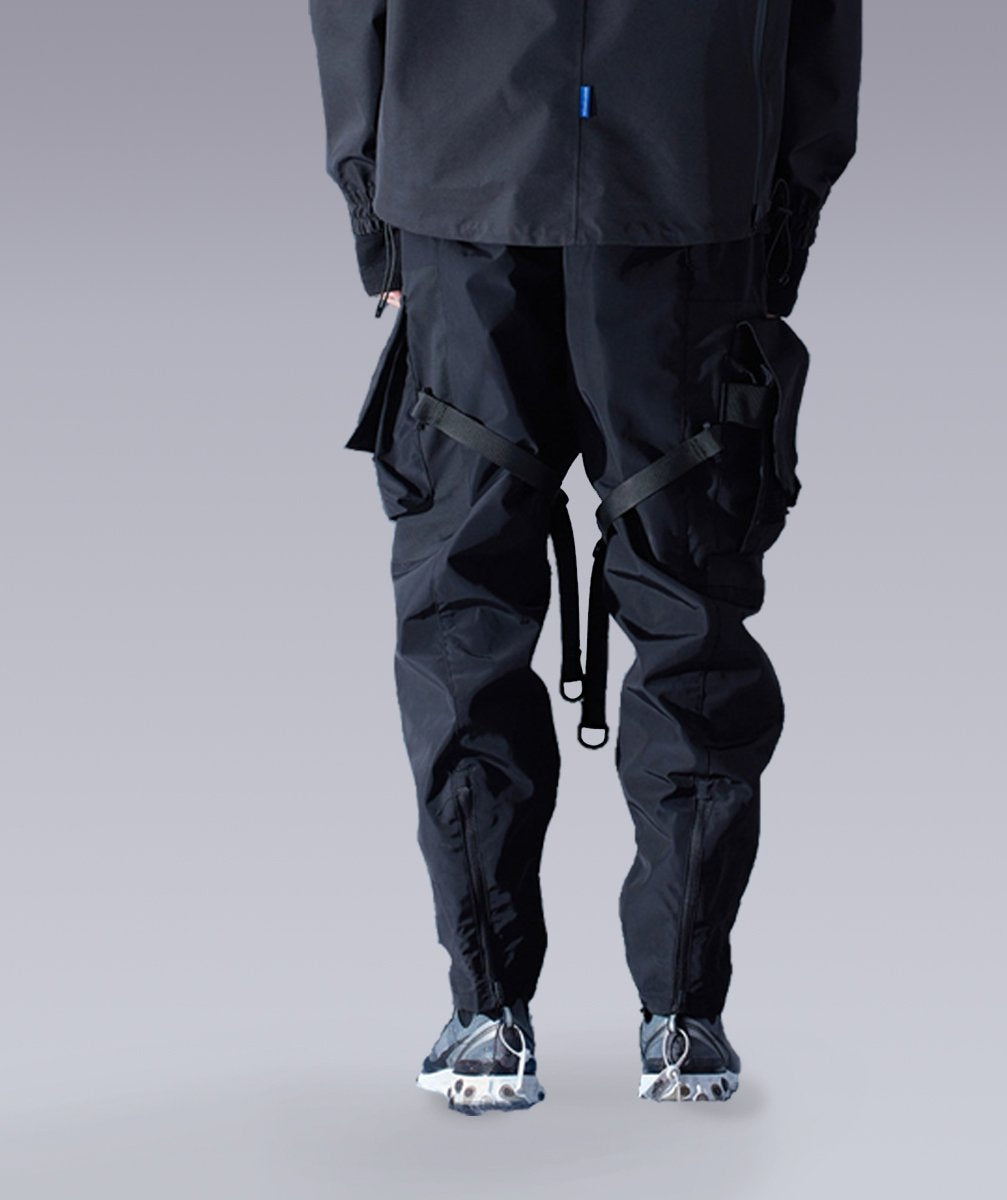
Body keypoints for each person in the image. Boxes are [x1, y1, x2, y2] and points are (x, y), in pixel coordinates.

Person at [308, 0, 861, 1113]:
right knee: (619, 604)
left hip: (535, 177)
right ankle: (588, 1008)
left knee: (545, 608)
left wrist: (374, 203)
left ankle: (582, 1009)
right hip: (635, 175)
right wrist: (785, 216)